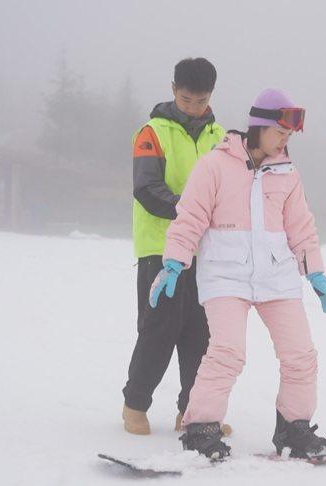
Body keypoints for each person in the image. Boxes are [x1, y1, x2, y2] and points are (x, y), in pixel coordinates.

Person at [148, 88, 326, 460]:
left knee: (301, 355)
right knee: (227, 352)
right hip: (225, 278)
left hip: (277, 278)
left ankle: (294, 429)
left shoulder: (287, 173)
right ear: (260, 126)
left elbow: (301, 228)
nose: (285, 141)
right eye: (280, 132)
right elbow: (190, 217)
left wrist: (315, 272)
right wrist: (174, 262)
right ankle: (201, 428)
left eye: (289, 135)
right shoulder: (214, 166)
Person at [122, 57, 231, 436]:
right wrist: (194, 211)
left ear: (211, 96)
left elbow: (232, 192)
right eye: (186, 100)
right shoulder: (152, 133)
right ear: (173, 90)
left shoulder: (223, 140)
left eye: (201, 101)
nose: (193, 108)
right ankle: (134, 404)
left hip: (208, 254)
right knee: (158, 330)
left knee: (202, 335)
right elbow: (147, 189)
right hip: (160, 250)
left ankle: (193, 411)